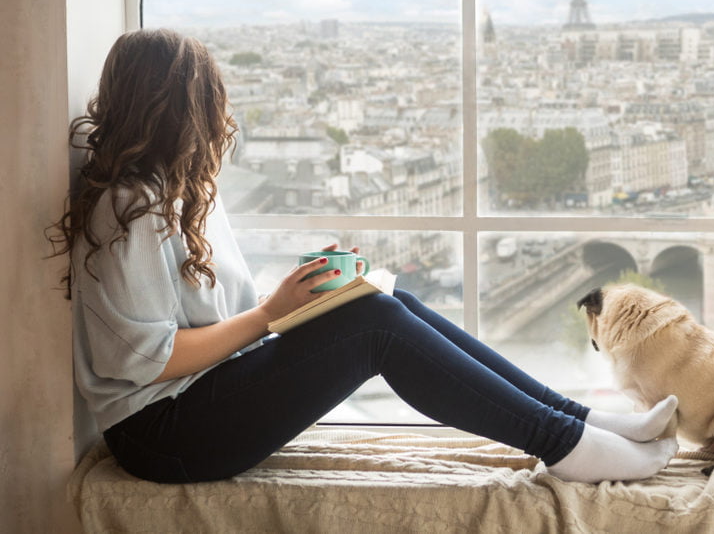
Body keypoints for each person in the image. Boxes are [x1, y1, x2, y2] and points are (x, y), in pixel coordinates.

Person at [49, 28, 679, 484]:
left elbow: (212, 320)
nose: (224, 115)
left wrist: (305, 291)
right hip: (163, 436)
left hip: (196, 404)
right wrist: (274, 312)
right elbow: (148, 361)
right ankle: (567, 447)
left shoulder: (179, 194)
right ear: (183, 111)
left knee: (381, 302)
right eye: (211, 100)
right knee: (376, 325)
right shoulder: (127, 210)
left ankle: (576, 420)